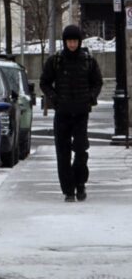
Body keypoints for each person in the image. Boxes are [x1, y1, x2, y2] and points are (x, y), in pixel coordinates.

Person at [40, 24, 103, 202]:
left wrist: (91, 97)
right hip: (62, 113)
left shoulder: (88, 61)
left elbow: (97, 82)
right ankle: (68, 190)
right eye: (69, 41)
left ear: (79, 42)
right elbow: (44, 82)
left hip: (81, 113)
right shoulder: (56, 61)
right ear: (65, 42)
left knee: (81, 150)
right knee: (63, 153)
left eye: (75, 41)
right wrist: (54, 98)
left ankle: (80, 183)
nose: (72, 44)